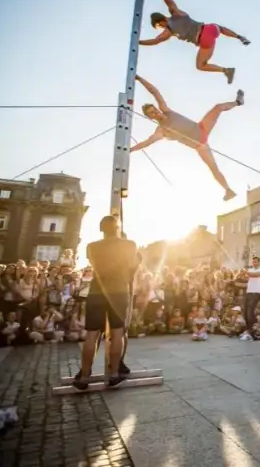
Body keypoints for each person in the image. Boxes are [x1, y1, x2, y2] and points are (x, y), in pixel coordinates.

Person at [130, 75, 242, 201]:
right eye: (152, 113)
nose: (156, 112)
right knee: (213, 168)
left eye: (154, 109)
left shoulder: (166, 110)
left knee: (218, 107)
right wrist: (130, 150)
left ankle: (237, 102)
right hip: (200, 145)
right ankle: (228, 190)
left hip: (201, 128)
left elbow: (155, 92)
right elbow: (147, 142)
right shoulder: (162, 130)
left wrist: (140, 80)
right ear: (150, 117)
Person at [140, 0, 250, 84]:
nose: (162, 28)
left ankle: (226, 70)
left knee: (200, 66)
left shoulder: (169, 31)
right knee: (219, 28)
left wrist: (138, 42)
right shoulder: (176, 12)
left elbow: (155, 41)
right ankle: (239, 37)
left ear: (159, 22)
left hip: (204, 40)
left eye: (160, 26)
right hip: (210, 29)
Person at [74, 216, 140, 390]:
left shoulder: (92, 247)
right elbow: (132, 265)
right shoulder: (129, 245)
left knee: (91, 335)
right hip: (118, 291)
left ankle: (84, 375)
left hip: (97, 291)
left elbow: (94, 263)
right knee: (117, 333)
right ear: (118, 228)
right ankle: (114, 374)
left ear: (101, 228)